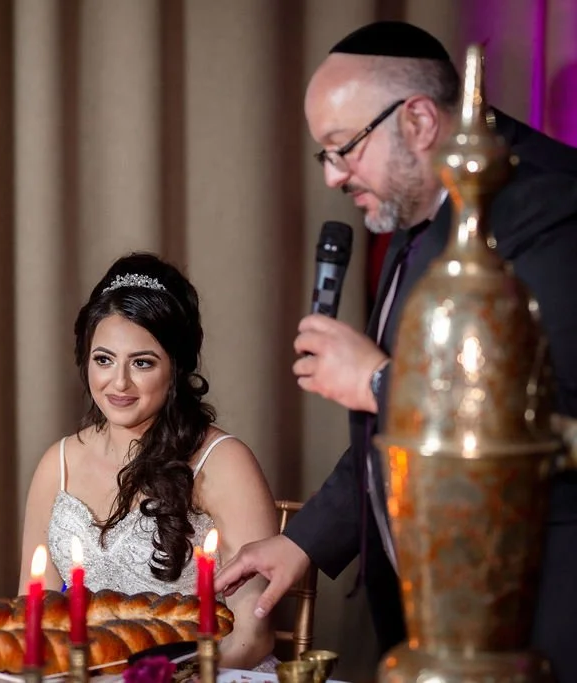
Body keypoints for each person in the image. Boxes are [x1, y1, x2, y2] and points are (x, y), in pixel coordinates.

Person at [213, 21, 577, 681]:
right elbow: (394, 430)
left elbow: (558, 411)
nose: (331, 176)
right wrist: (302, 541)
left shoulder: (552, 203)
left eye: (342, 147)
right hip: (434, 622)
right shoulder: (415, 218)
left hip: (536, 619)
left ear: (416, 120)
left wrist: (382, 381)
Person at [19, 253, 278, 670]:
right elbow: (36, 616)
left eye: (142, 363)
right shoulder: (58, 463)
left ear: (175, 368)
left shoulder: (224, 462)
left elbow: (253, 634)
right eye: (103, 359)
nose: (118, 383)